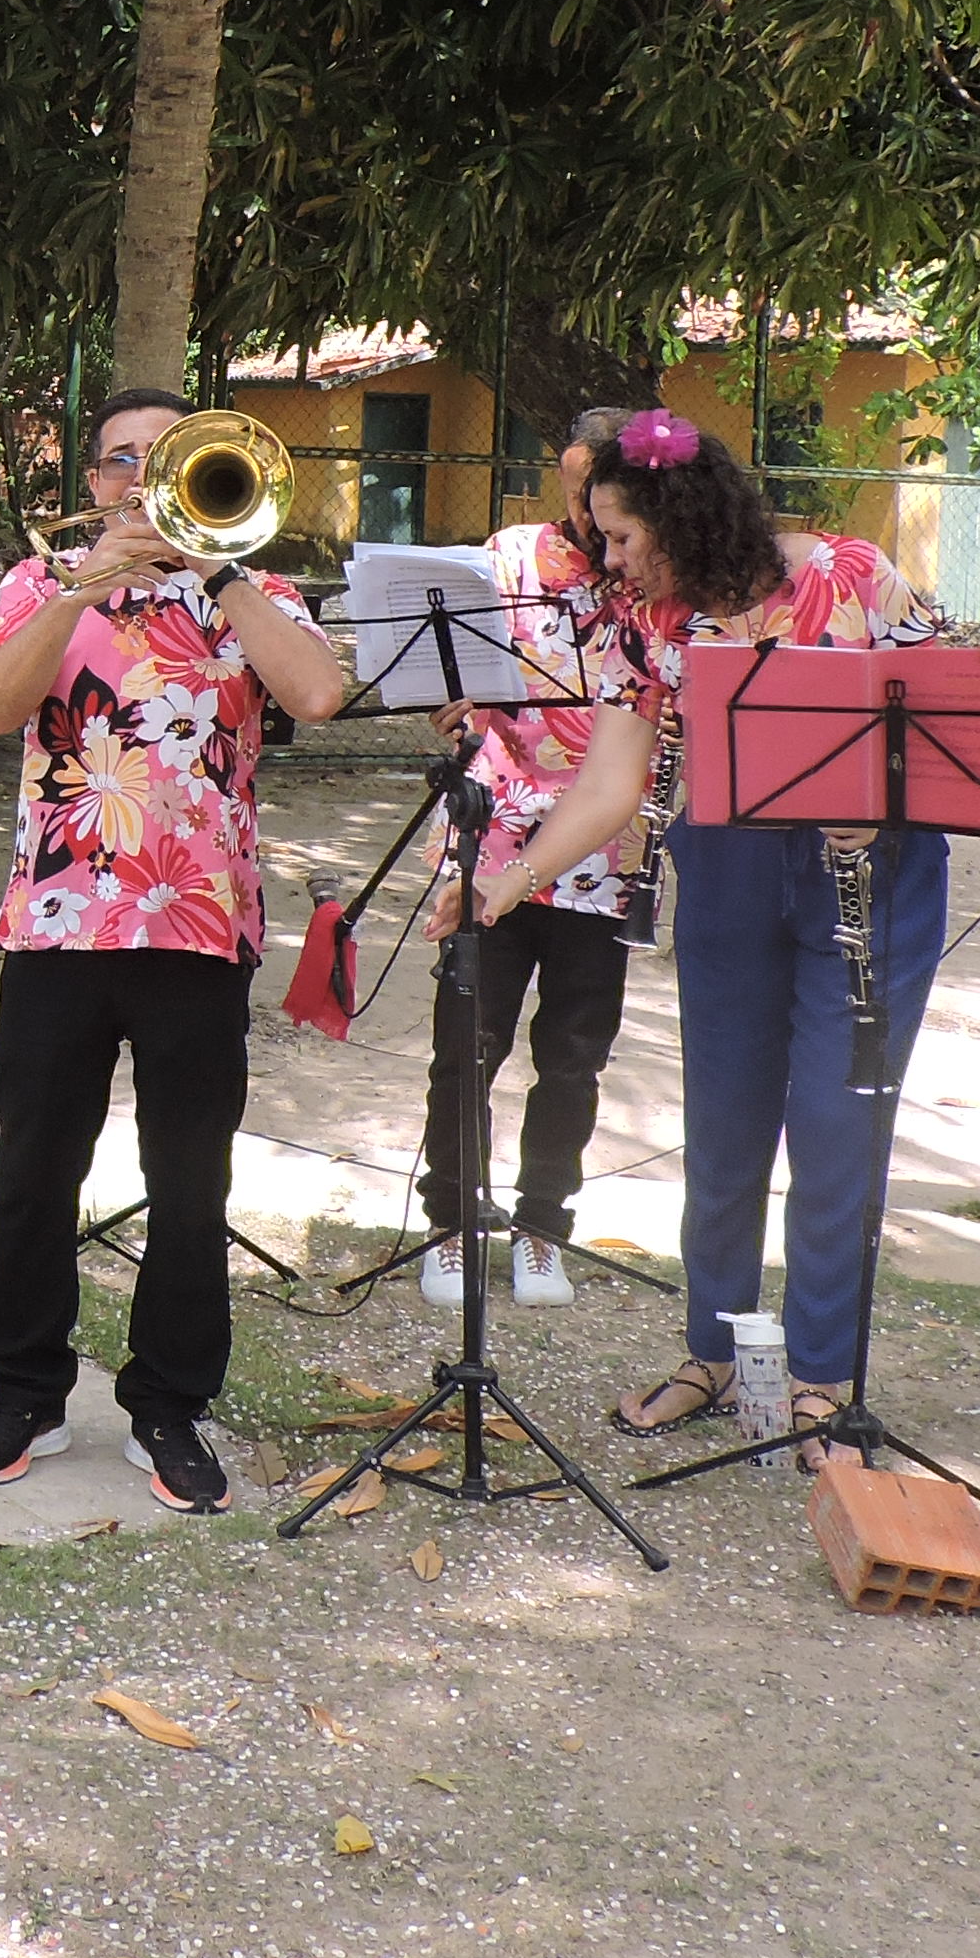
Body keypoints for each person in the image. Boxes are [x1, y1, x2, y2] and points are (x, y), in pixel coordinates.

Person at [476, 412, 951, 1472]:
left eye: (621, 535)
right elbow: (610, 781)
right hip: (730, 867)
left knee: (835, 1128)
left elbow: (958, 724)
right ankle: (718, 1355)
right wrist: (511, 881)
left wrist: (885, 800)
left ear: (682, 515)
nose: (609, 558)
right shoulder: (644, 620)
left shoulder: (851, 574)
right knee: (724, 1126)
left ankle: (823, 1376)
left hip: (870, 873)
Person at [0, 385, 352, 1511]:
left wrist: (217, 573)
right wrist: (85, 585)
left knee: (189, 1179)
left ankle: (170, 1403)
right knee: (35, 1169)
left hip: (198, 924)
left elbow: (319, 692)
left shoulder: (257, 592)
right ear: (91, 482)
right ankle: (25, 1389)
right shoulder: (39, 581)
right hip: (58, 920)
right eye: (118, 460)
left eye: (159, 456)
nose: (138, 478)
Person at [417, 408, 640, 1311]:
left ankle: (543, 1227)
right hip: (494, 836)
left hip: (607, 848)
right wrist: (448, 695)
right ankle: (450, 1221)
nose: (584, 509)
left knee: (574, 1056)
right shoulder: (508, 556)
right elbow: (449, 665)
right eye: (574, 484)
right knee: (465, 1044)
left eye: (601, 491)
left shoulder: (654, 575)